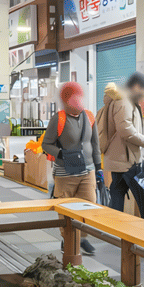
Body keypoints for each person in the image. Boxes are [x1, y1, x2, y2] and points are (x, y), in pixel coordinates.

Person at [42, 82, 101, 256]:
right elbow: (46, 144)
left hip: (87, 171)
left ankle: (82, 238)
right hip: (65, 172)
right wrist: (61, 155)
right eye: (74, 97)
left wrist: (98, 168)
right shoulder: (58, 119)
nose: (78, 101)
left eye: (80, 97)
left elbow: (95, 144)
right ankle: (68, 238)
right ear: (66, 100)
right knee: (66, 209)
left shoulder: (89, 116)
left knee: (88, 206)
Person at [97, 72, 144, 212]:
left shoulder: (126, 100)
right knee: (133, 193)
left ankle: (114, 227)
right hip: (123, 158)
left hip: (122, 157)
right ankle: (123, 227)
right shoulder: (123, 101)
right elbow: (125, 129)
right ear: (137, 87)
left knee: (118, 190)